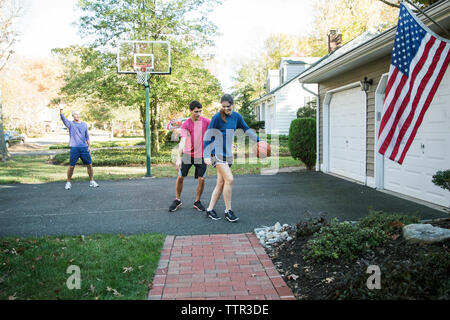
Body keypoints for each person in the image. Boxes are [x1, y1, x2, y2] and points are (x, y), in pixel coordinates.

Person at [203, 94, 260, 222]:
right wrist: (206, 155)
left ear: (232, 104)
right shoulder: (217, 117)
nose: (226, 109)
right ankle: (228, 211)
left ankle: (210, 210)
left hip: (227, 154)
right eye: (223, 107)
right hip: (215, 153)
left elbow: (246, 129)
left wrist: (258, 141)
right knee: (229, 179)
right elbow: (208, 135)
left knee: (221, 183)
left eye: (228, 107)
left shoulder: (236, 117)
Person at [168, 100, 211, 212]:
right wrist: (178, 158)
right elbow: (182, 142)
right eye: (196, 111)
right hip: (188, 154)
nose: (198, 114)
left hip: (201, 155)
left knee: (201, 179)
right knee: (180, 177)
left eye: (200, 111)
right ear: (191, 111)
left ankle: (197, 201)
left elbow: (217, 130)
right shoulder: (186, 124)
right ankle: (177, 199)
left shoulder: (206, 121)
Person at [59, 103, 99, 190]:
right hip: (74, 148)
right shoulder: (70, 124)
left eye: (78, 114)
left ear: (80, 115)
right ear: (73, 116)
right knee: (71, 166)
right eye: (75, 114)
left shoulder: (84, 124)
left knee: (89, 165)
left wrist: (89, 147)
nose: (77, 116)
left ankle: (92, 181)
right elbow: (62, 117)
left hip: (84, 148)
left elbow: (87, 136)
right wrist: (61, 108)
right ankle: (68, 182)